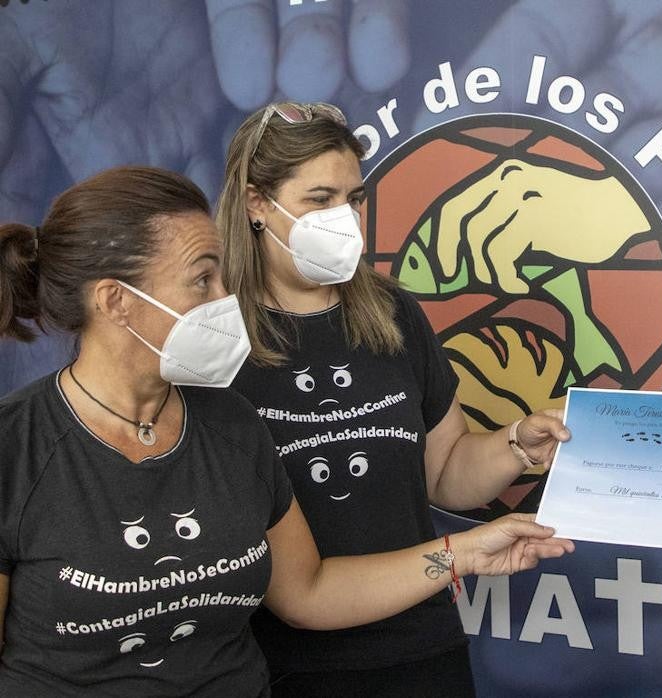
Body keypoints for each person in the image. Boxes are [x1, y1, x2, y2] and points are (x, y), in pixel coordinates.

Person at [0, 166, 574, 696]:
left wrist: (465, 553)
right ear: (116, 301)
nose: (226, 299)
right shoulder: (16, 448)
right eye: (202, 281)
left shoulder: (233, 424)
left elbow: (309, 592)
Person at [215, 101, 577, 696]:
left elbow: (446, 475)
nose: (346, 218)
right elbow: (293, 591)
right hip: (284, 668)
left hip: (423, 649)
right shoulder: (214, 341)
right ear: (257, 203)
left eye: (354, 199)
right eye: (319, 199)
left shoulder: (392, 314)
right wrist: (459, 554)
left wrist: (517, 444)